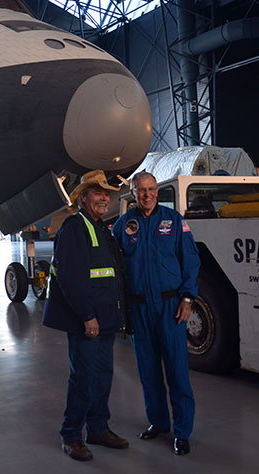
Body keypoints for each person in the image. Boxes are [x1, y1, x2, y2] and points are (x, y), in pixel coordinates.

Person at [42, 170, 129, 462]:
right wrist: (86, 316)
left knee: (103, 375)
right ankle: (70, 435)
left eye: (106, 193)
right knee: (83, 377)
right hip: (88, 321)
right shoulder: (74, 227)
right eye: (97, 193)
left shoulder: (100, 227)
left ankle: (98, 429)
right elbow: (71, 278)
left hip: (106, 317)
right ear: (84, 198)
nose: (105, 197)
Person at [112, 171, 201, 456]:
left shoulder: (173, 222)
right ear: (133, 194)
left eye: (151, 189)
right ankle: (158, 423)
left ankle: (182, 432)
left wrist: (187, 297)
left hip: (170, 307)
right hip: (139, 309)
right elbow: (117, 271)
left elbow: (190, 261)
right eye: (141, 190)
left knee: (177, 372)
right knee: (148, 373)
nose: (147, 194)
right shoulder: (124, 225)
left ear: (157, 192)